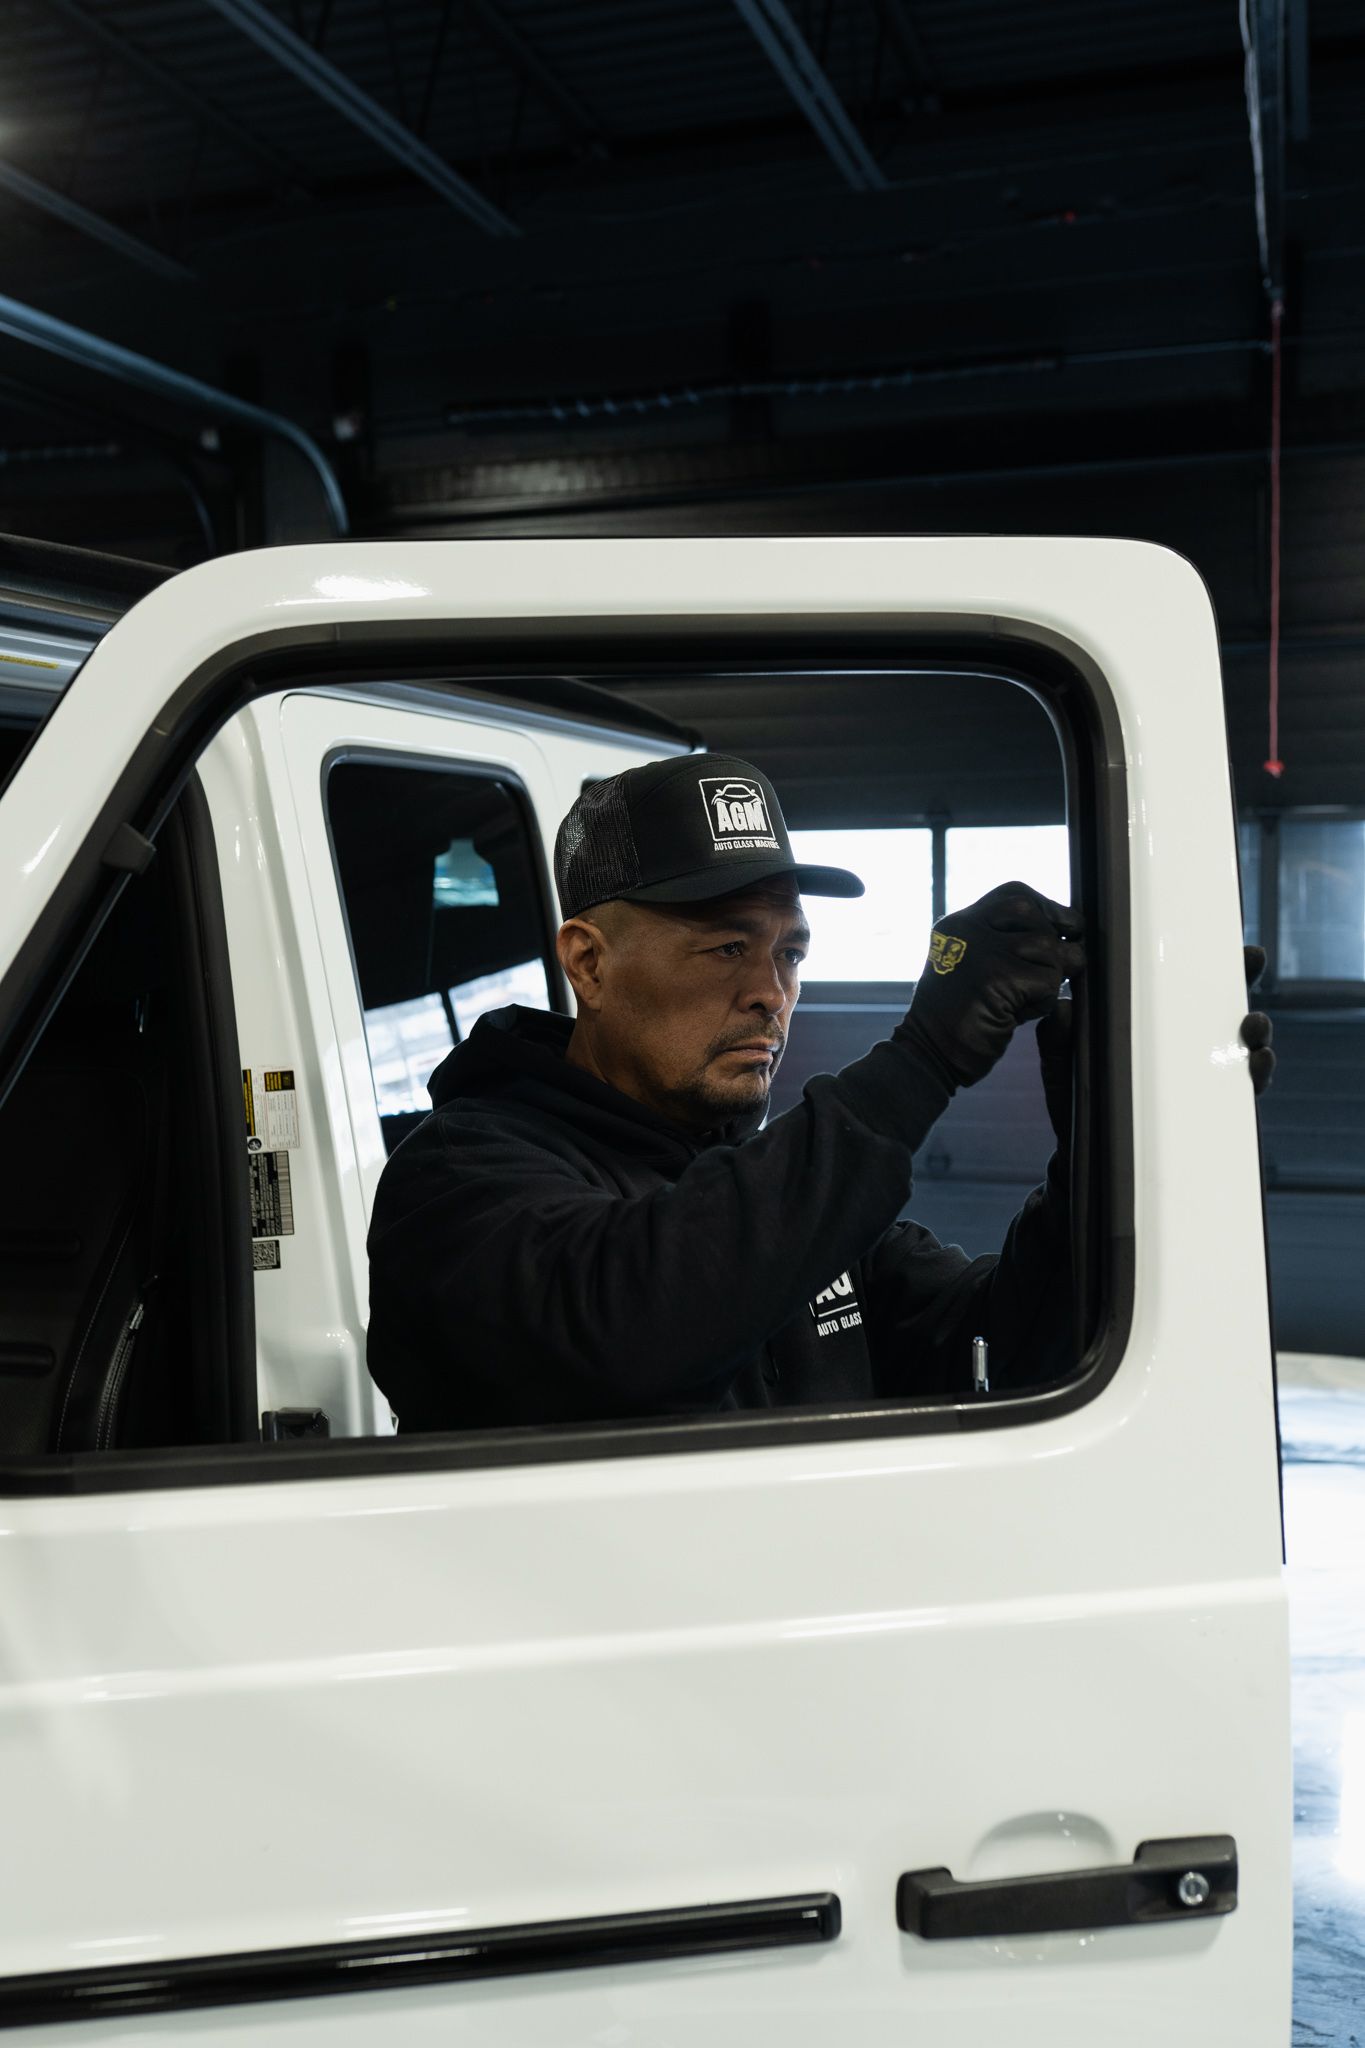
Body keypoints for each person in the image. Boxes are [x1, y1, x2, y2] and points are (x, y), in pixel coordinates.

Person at [366, 752, 1273, 1433]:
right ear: (589, 963)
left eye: (789, 952)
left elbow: (1007, 1349)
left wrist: (1107, 1147)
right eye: (727, 947)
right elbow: (632, 1328)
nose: (770, 991)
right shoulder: (457, 1178)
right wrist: (921, 1059)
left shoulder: (790, 1198)